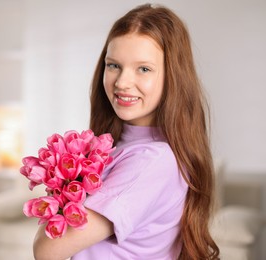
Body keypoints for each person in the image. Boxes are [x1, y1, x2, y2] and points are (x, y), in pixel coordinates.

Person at [33, 3, 219, 259]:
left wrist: (63, 182)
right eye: (114, 66)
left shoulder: (150, 161)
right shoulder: (120, 148)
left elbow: (48, 249)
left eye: (144, 69)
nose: (122, 82)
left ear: (173, 77)